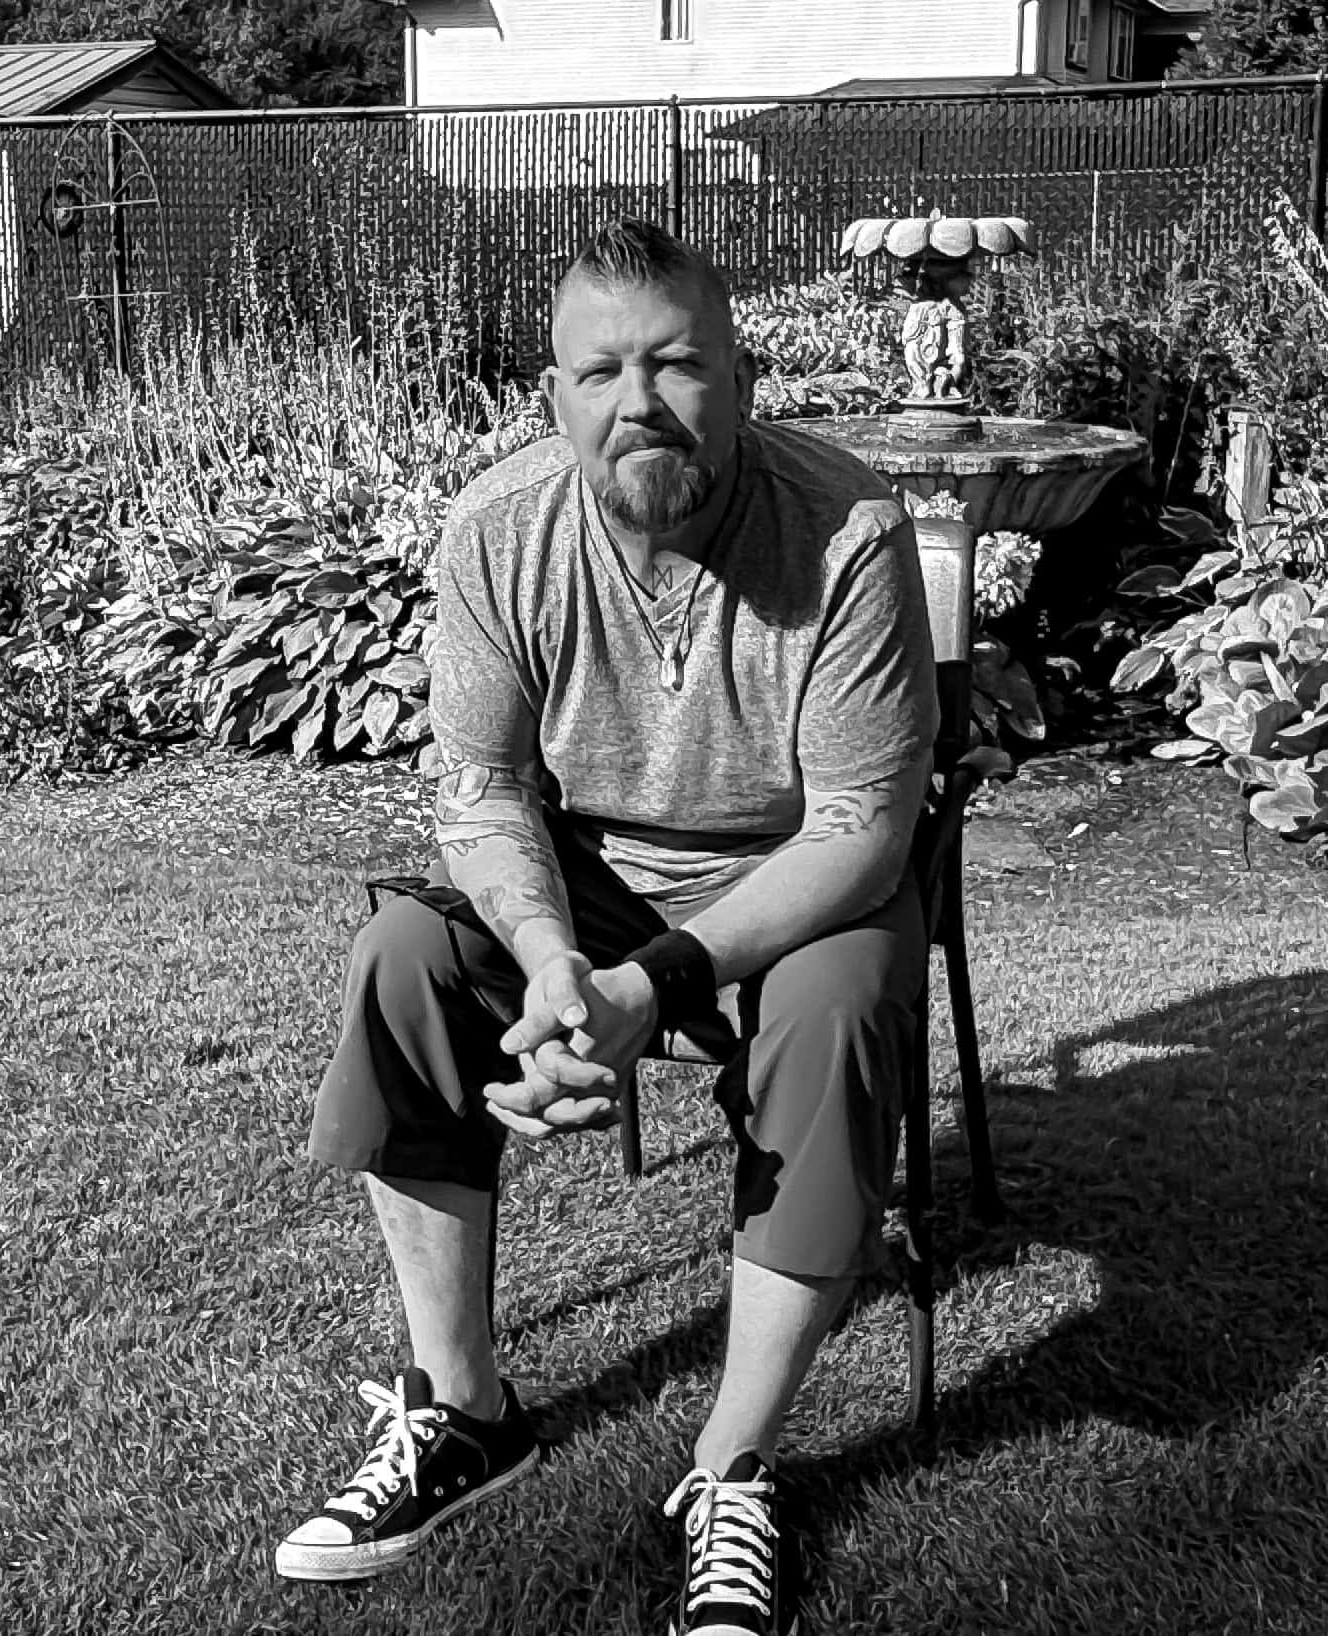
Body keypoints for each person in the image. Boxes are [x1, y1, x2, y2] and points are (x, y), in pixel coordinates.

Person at [277, 218, 938, 1636]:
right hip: (595, 880)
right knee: (405, 958)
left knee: (831, 1010)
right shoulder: (497, 531)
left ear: (743, 377)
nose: (640, 402)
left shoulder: (851, 531)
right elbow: (482, 788)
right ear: (554, 398)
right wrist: (550, 962)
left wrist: (655, 983)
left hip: (791, 883)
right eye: (602, 372)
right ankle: (464, 1412)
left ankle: (732, 1471)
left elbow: (861, 832)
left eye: (677, 364)